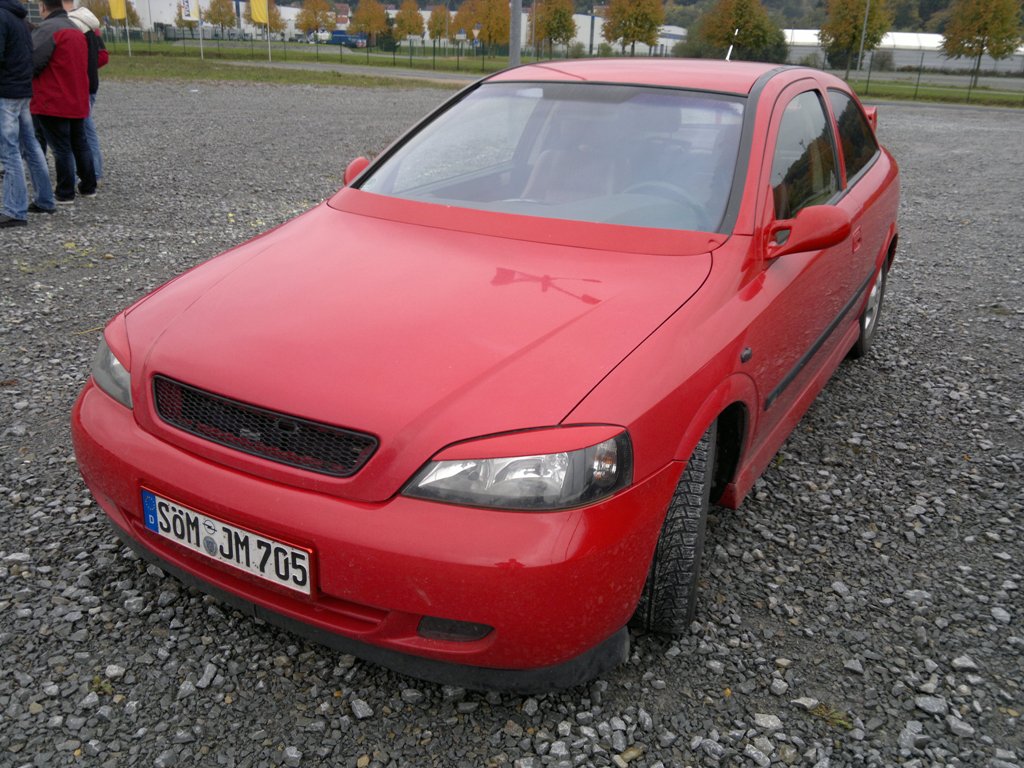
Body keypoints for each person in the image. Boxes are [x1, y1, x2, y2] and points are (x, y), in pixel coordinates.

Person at [31, 0, 95, 204]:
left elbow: (34, 62)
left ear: (43, 7)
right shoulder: (76, 29)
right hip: (77, 97)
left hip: (54, 99)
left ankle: (65, 191)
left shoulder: (47, 29)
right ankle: (88, 186)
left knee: (61, 147)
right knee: (80, 143)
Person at [1, 0, 56, 227]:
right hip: (22, 90)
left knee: (9, 151)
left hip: (7, 93)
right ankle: (45, 199)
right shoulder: (19, 18)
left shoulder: (2, 17)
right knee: (30, 146)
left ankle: (15, 210)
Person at [65, 1, 105, 182]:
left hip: (80, 85)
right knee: (86, 131)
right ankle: (94, 171)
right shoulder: (89, 23)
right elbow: (102, 55)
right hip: (91, 83)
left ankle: (89, 173)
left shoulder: (72, 24)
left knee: (81, 133)